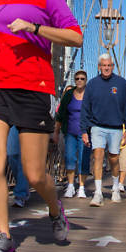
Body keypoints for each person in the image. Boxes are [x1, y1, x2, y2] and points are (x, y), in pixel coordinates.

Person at [0, 0, 95, 252]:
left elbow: (75, 37)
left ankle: (55, 210)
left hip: (34, 87)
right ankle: (4, 236)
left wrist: (36, 28)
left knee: (35, 173)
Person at [80, 53, 126, 206]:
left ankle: (115, 188)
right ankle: (98, 193)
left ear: (112, 66)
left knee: (114, 159)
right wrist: (84, 130)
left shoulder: (122, 84)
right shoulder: (91, 84)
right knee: (97, 156)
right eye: (103, 65)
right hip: (97, 127)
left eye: (109, 65)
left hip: (116, 128)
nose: (106, 68)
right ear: (99, 67)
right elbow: (85, 108)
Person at [54, 70, 92, 199]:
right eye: (77, 79)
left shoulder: (90, 95)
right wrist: (56, 131)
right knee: (69, 158)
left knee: (83, 159)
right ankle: (70, 186)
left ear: (86, 80)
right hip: (70, 132)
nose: (79, 81)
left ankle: (81, 187)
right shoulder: (69, 94)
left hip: (85, 133)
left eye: (82, 78)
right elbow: (61, 113)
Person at [7, 126, 29, 207]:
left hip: (29, 123)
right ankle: (23, 187)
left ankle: (21, 194)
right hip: (14, 122)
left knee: (23, 160)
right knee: (11, 154)